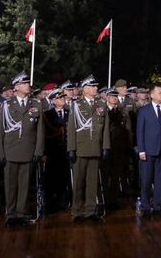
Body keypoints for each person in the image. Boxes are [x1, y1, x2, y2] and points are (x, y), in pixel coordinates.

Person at [0, 73, 45, 225]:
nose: (27, 85)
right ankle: (10, 214)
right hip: (10, 150)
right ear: (16, 87)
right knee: (10, 185)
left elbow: (40, 131)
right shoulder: (7, 105)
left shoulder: (36, 103)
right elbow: (0, 131)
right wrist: (0, 153)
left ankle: (21, 213)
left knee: (24, 185)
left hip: (28, 149)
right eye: (24, 83)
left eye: (28, 83)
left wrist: (38, 151)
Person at [67, 75, 110, 221]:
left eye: (96, 86)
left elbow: (105, 128)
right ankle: (77, 211)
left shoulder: (102, 105)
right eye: (92, 86)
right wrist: (71, 149)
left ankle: (90, 211)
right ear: (85, 89)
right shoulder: (76, 105)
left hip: (95, 148)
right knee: (79, 182)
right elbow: (71, 128)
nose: (95, 88)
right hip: (80, 148)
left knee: (92, 182)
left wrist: (106, 146)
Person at [136, 86, 161, 214]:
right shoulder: (144, 111)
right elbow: (140, 131)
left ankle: (158, 205)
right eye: (160, 93)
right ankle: (145, 206)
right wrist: (141, 150)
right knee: (146, 179)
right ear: (152, 95)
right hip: (147, 151)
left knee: (160, 179)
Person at [103, 88, 133, 206]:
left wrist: (128, 144)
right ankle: (105, 199)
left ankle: (113, 200)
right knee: (106, 175)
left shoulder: (121, 111)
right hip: (107, 146)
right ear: (107, 97)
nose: (115, 98)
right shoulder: (103, 111)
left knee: (116, 175)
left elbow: (127, 129)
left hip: (119, 147)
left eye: (116, 96)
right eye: (112, 96)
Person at [42, 89, 70, 212]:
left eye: (63, 97)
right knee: (51, 178)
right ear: (53, 101)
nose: (62, 99)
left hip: (66, 150)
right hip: (52, 151)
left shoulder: (70, 113)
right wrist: (43, 152)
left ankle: (62, 201)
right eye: (59, 98)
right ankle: (50, 203)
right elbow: (43, 135)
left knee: (64, 177)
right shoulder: (47, 115)